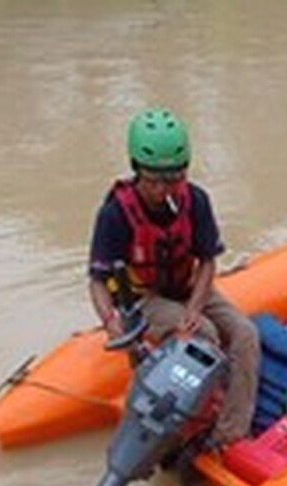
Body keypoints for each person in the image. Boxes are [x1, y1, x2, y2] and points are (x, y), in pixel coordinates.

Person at [87, 107, 259, 447]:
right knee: (204, 336)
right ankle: (191, 421)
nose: (164, 189)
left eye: (174, 178)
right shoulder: (115, 214)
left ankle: (230, 432)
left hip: (187, 287)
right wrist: (109, 319)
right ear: (137, 170)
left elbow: (208, 261)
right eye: (154, 180)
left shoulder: (195, 201)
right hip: (146, 298)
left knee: (245, 334)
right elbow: (96, 280)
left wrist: (193, 309)